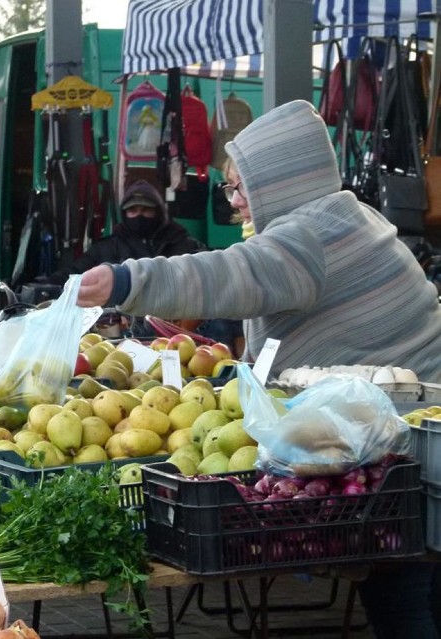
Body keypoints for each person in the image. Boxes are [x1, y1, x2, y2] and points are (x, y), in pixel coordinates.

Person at [76, 99, 441, 638]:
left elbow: (234, 273)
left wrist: (128, 281)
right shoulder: (343, 216)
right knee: (412, 583)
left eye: (241, 188)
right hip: (411, 430)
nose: (236, 204)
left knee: (401, 593)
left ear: (281, 182)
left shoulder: (310, 236)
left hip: (402, 441)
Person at [45, 179, 206, 286]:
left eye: (146, 210)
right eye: (133, 210)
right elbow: (75, 273)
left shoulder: (184, 243)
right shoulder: (106, 247)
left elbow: (207, 274)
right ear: (124, 214)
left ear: (159, 212)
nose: (139, 215)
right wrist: (48, 284)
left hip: (174, 322)